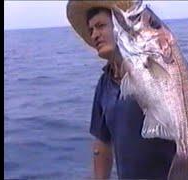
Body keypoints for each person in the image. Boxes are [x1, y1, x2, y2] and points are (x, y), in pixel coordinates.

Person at [67, 1, 176, 179]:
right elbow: (102, 144)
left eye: (100, 26)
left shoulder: (153, 68)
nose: (94, 34)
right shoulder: (104, 84)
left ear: (120, 28)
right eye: (91, 30)